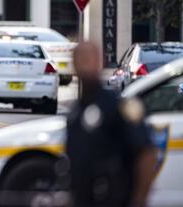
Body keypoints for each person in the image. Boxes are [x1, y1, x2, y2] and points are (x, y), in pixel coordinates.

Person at [66, 42, 157, 207]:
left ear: (100, 62)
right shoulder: (75, 114)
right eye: (80, 59)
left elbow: (147, 154)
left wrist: (139, 199)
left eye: (89, 58)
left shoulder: (119, 107)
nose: (84, 64)